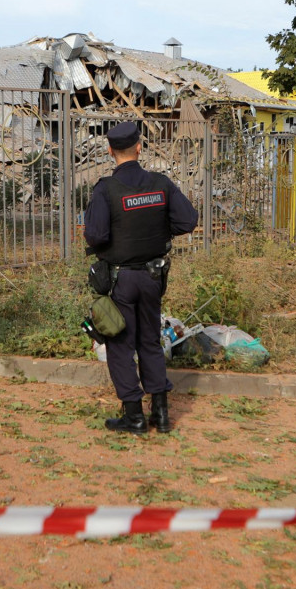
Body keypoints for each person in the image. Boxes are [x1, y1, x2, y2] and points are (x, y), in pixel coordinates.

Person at [83, 121, 199, 434]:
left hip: (120, 281)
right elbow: (188, 220)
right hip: (153, 277)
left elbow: (95, 235)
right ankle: (161, 415)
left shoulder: (106, 189)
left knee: (120, 345)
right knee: (149, 342)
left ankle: (134, 416)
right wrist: (160, 230)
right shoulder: (160, 183)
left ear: (110, 151)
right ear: (138, 147)